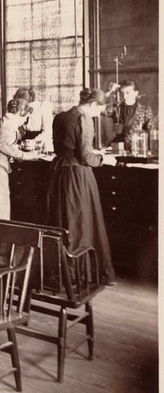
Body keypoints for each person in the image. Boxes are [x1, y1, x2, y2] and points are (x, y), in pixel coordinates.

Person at [48, 88, 117, 285]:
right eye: (99, 111)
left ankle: (62, 274)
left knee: (63, 221)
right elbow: (86, 156)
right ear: (93, 104)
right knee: (80, 222)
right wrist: (104, 159)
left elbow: (61, 148)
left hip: (60, 173)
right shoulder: (84, 118)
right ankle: (80, 274)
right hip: (77, 176)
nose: (98, 115)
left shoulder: (60, 117)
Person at [106, 79, 156, 151]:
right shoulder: (116, 108)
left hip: (138, 148)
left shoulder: (145, 110)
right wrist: (109, 92)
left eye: (128, 93)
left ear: (136, 93)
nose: (125, 96)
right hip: (118, 149)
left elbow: (150, 132)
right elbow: (99, 108)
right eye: (122, 93)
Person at [13, 87, 53, 152]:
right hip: (25, 142)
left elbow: (48, 132)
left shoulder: (43, 106)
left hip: (40, 142)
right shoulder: (21, 110)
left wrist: (33, 142)